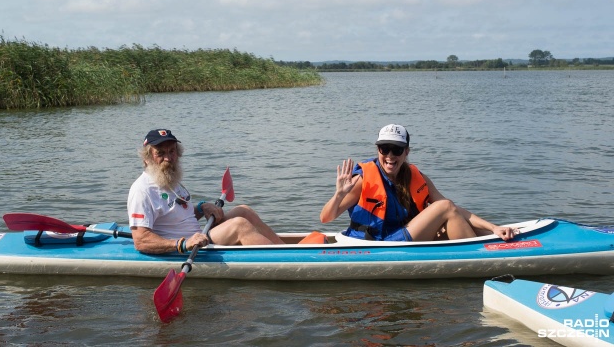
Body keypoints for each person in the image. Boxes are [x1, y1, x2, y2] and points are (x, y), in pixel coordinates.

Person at [320, 124, 516, 242]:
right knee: (444, 207)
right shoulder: (363, 180)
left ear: (406, 152)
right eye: (384, 149)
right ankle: (485, 258)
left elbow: (455, 210)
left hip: (402, 237)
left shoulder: (415, 176)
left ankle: (496, 239)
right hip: (377, 243)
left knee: (451, 216)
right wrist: (339, 194)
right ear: (378, 150)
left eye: (396, 150)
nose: (389, 156)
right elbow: (326, 218)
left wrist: (493, 227)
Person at [128, 129, 284, 255]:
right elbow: (141, 240)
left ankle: (285, 248)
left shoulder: (169, 180)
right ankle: (284, 260)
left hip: (200, 237)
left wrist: (202, 208)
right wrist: (181, 244)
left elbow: (179, 217)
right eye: (160, 153)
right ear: (147, 158)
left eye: (172, 151)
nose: (168, 158)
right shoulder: (142, 190)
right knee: (240, 225)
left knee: (243, 211)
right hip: (188, 246)